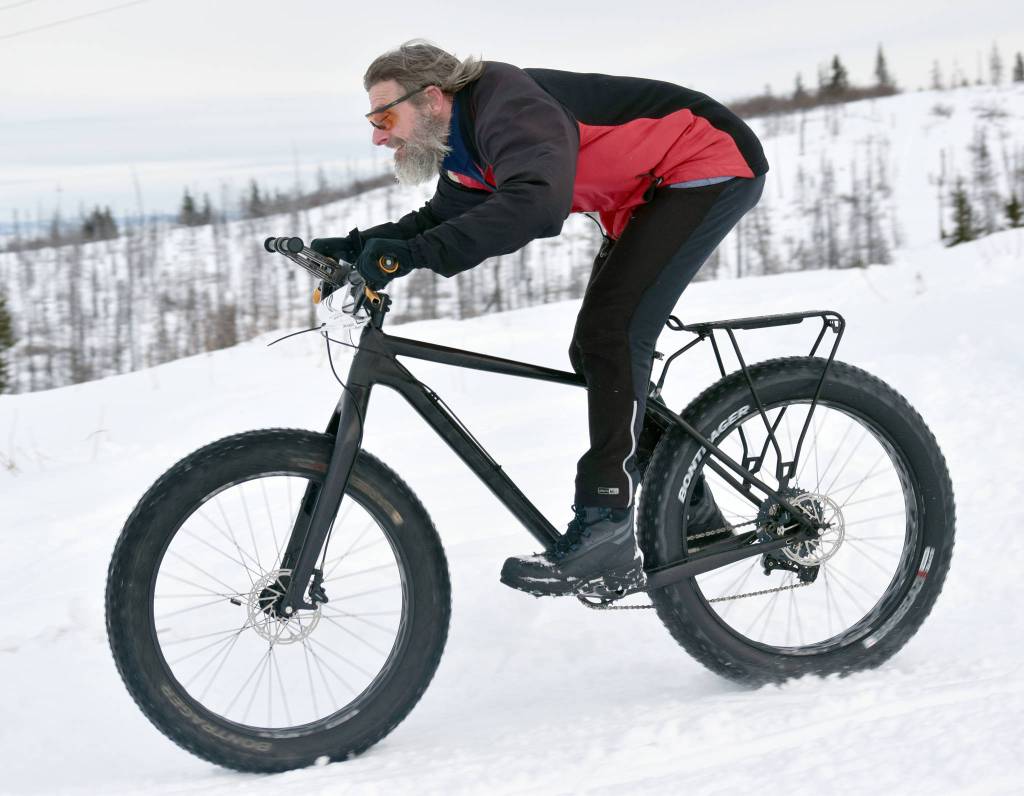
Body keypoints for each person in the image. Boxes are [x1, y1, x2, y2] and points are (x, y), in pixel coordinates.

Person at [311, 40, 768, 598]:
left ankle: (607, 520)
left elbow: (534, 204)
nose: (379, 136)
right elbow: (446, 216)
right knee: (596, 351)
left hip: (705, 163)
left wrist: (409, 256)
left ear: (431, 98)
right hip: (645, 193)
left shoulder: (508, 106)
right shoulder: (463, 143)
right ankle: (691, 507)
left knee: (614, 332)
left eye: (385, 116)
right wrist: (362, 246)